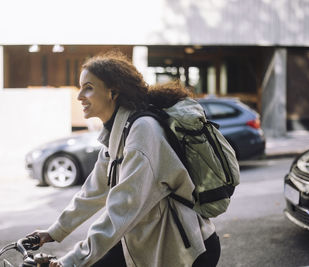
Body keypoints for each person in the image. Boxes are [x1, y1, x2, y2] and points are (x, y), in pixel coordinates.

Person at [28, 51, 221, 267]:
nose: (80, 95)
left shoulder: (142, 131)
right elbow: (93, 191)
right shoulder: (117, 132)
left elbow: (122, 209)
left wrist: (71, 260)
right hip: (151, 243)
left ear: (113, 92)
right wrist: (54, 231)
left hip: (186, 250)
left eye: (88, 88)